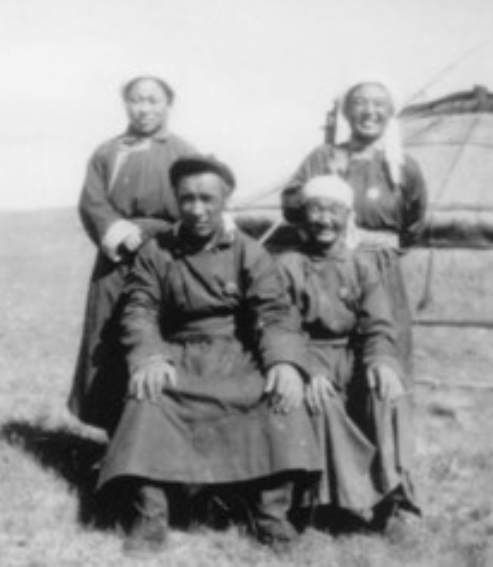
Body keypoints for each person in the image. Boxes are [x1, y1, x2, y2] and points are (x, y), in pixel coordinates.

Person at [95, 156, 322, 554]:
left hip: (237, 354)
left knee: (281, 397)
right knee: (148, 399)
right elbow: (140, 309)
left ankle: (271, 516)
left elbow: (274, 312)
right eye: (187, 199)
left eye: (207, 199)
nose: (197, 210)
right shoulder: (156, 252)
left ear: (225, 200)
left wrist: (284, 363)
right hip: (177, 353)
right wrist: (149, 356)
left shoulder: (249, 252)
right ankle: (151, 516)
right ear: (176, 200)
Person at [277, 175, 419, 532]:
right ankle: (330, 505)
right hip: (309, 357)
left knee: (388, 393)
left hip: (352, 359)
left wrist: (382, 362)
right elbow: (282, 328)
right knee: (320, 401)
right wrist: (305, 369)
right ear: (302, 216)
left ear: (347, 216)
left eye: (333, 211)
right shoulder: (287, 266)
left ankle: (395, 498)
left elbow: (378, 326)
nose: (324, 220)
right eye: (315, 210)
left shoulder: (362, 266)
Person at [68, 76, 197, 433]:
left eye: (154, 100)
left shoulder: (185, 153)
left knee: (162, 337)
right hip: (117, 261)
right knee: (110, 339)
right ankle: (114, 437)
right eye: (137, 100)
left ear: (169, 105)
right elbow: (92, 202)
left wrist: (168, 242)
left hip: (169, 258)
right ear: (126, 105)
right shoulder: (108, 153)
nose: (145, 108)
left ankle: (163, 434)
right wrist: (121, 235)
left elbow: (199, 202)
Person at [281, 81, 428, 382]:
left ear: (390, 111)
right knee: (333, 349)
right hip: (330, 267)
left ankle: (382, 427)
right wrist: (325, 180)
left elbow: (414, 223)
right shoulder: (323, 157)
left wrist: (378, 248)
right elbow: (291, 206)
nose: (370, 111)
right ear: (347, 111)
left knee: (383, 351)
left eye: (378, 104)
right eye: (360, 102)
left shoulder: (403, 166)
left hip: (383, 270)